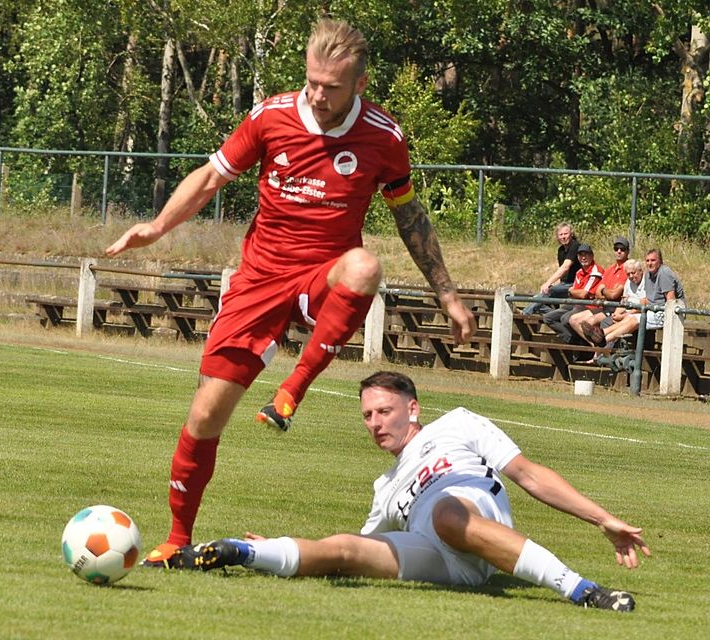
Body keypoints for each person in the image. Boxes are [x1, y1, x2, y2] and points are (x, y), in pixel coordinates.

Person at [105, 18, 476, 566]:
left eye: (332, 86)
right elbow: (210, 178)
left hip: (322, 280)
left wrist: (446, 293)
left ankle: (293, 391)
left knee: (364, 265)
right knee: (206, 415)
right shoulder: (271, 117)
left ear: (360, 84)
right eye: (312, 81)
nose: (318, 94)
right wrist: (158, 226)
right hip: (259, 282)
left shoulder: (383, 136)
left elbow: (409, 215)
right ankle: (177, 539)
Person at [169, 371, 648, 613]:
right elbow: (352, 550)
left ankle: (586, 592)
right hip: (444, 560)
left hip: (476, 526)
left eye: (384, 411)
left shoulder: (459, 424)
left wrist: (601, 518)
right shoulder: (385, 487)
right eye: (367, 416)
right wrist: (273, 544)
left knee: (443, 511)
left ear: (413, 408)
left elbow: (529, 474)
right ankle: (239, 552)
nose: (376, 423)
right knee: (344, 549)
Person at [568, 236, 629, 346]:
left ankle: (599, 349)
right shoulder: (610, 269)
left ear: (628, 251)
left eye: (622, 249)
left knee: (589, 322)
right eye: (616, 248)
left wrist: (604, 291)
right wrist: (607, 292)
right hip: (604, 306)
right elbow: (597, 292)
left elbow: (614, 295)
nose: (619, 251)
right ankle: (595, 347)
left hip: (615, 308)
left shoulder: (628, 269)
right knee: (573, 320)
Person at [541, 244, 603, 347]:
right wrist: (574, 292)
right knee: (548, 317)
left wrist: (573, 291)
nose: (583, 257)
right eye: (580, 255)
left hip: (589, 305)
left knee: (566, 318)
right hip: (576, 303)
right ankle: (573, 340)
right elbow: (574, 293)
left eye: (586, 254)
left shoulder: (596, 271)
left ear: (592, 256)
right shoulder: (579, 272)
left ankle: (588, 344)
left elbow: (583, 294)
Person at [583, 259, 644, 348]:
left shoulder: (645, 283)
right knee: (606, 321)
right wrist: (616, 313)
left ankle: (604, 349)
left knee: (615, 322)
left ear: (640, 271)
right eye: (628, 274)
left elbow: (642, 305)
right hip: (626, 312)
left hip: (635, 314)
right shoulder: (628, 282)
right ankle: (601, 351)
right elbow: (624, 301)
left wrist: (624, 315)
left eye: (633, 273)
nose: (631, 276)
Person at [522, 222, 580, 315]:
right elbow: (562, 272)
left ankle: (524, 313)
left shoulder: (575, 246)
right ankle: (556, 315)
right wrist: (553, 284)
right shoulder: (561, 250)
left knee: (546, 293)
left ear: (571, 234)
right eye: (560, 235)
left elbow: (565, 267)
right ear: (557, 237)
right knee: (538, 298)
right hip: (564, 284)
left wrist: (548, 283)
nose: (563, 237)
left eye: (566, 234)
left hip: (575, 284)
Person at [641, 248, 686, 330]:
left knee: (633, 320)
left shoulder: (664, 273)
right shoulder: (647, 274)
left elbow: (671, 301)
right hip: (652, 311)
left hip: (666, 314)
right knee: (626, 318)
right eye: (647, 261)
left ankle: (609, 338)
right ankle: (609, 338)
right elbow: (649, 299)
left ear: (660, 261)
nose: (650, 263)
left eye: (653, 260)